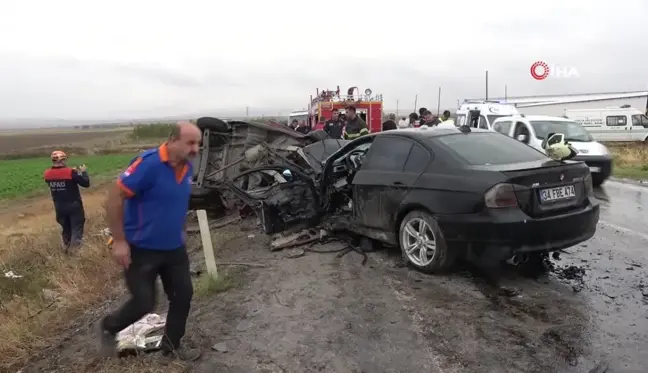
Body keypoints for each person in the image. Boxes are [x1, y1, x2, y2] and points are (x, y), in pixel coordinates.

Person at [98, 122, 202, 362]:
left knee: (182, 296)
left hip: (174, 248)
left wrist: (180, 229)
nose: (195, 149)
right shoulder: (149, 164)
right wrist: (120, 241)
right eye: (190, 143)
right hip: (140, 248)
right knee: (144, 302)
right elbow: (114, 198)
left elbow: (174, 202)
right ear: (172, 140)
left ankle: (171, 348)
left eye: (198, 143)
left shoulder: (186, 167)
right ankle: (109, 326)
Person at [44, 150, 90, 252]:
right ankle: (74, 255)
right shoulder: (70, 172)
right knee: (76, 230)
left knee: (66, 230)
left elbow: (58, 178)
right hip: (74, 206)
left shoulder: (47, 174)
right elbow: (86, 184)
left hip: (59, 207)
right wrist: (83, 172)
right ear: (63, 160)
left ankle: (66, 251)